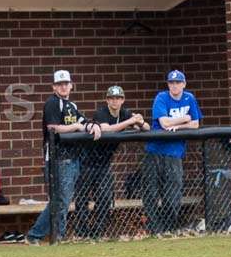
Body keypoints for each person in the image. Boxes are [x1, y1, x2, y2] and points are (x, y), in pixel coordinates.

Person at [26, 70, 102, 245]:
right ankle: (44, 235)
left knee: (62, 200)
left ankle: (49, 235)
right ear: (54, 87)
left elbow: (83, 122)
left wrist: (93, 125)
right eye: (59, 84)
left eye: (66, 83)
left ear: (71, 85)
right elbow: (53, 127)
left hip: (72, 158)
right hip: (57, 159)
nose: (63, 86)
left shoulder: (71, 106)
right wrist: (76, 126)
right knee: (61, 200)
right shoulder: (53, 103)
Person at [73, 86, 148, 239]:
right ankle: (82, 233)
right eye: (112, 98)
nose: (115, 101)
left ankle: (98, 233)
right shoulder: (101, 113)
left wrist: (138, 121)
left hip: (104, 163)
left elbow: (146, 127)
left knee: (105, 198)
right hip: (86, 161)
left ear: (123, 100)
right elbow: (107, 130)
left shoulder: (125, 113)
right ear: (107, 100)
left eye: (118, 98)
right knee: (82, 198)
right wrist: (130, 121)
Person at [142, 70, 201, 235]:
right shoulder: (161, 97)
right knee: (151, 192)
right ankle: (154, 230)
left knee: (173, 193)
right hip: (154, 151)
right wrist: (184, 119)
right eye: (171, 83)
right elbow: (164, 123)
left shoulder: (189, 98)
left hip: (175, 153)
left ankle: (168, 228)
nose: (174, 86)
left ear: (184, 84)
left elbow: (195, 124)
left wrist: (179, 126)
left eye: (177, 82)